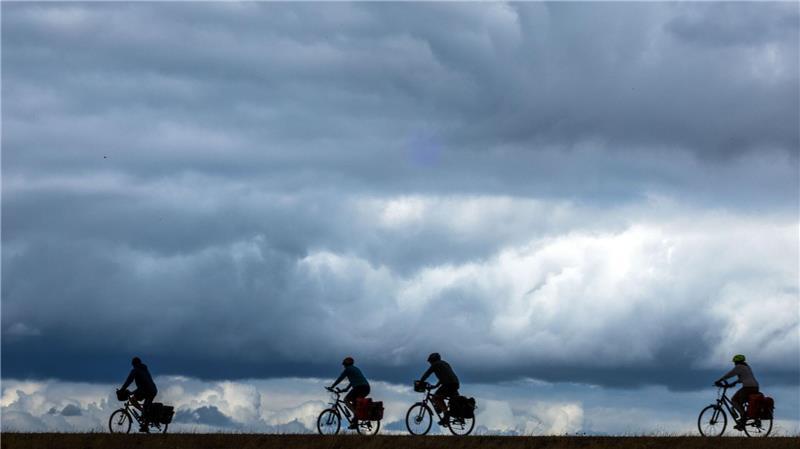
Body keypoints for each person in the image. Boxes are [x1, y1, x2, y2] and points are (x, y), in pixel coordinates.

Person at [716, 354, 759, 430]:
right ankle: (746, 417)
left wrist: (719, 380)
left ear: (737, 361)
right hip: (755, 387)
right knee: (740, 402)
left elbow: (729, 374)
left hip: (747, 388)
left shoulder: (738, 367)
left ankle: (743, 418)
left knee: (734, 400)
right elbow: (745, 377)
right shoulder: (747, 366)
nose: (734, 363)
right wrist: (735, 382)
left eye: (734, 362)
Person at [418, 352, 460, 425]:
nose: (430, 363)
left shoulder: (435, 364)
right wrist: (436, 386)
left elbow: (426, 374)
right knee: (450, 399)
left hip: (448, 384)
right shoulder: (444, 363)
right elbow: (444, 377)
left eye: (430, 361)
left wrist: (420, 382)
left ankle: (446, 416)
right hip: (455, 383)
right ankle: (445, 412)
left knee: (435, 397)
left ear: (433, 360)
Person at [329, 356, 370, 429]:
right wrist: (345, 389)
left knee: (346, 400)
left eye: (344, 364)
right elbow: (354, 381)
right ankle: (355, 421)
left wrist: (332, 386)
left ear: (346, 364)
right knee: (355, 403)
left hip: (360, 388)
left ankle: (356, 415)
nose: (343, 366)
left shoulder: (348, 369)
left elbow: (340, 378)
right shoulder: (355, 369)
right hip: (365, 388)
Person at [120, 357, 158, 432]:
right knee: (146, 407)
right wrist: (133, 392)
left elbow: (129, 381)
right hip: (153, 390)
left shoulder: (135, 370)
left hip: (146, 390)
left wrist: (122, 389)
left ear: (133, 364)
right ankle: (145, 425)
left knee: (132, 399)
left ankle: (142, 412)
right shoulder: (144, 369)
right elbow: (144, 384)